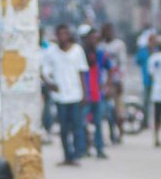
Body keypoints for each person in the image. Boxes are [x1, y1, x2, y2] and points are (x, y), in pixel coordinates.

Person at [41, 23, 89, 166]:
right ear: (57, 36)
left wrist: (84, 93)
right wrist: (50, 84)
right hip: (60, 96)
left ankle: (76, 154)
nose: (63, 36)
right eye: (60, 34)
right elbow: (43, 71)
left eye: (65, 33)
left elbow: (82, 72)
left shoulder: (77, 51)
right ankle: (67, 155)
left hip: (75, 94)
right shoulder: (51, 52)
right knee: (63, 128)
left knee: (76, 126)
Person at [78, 25, 110, 159]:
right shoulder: (79, 54)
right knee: (81, 123)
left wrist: (107, 85)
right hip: (84, 94)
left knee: (98, 123)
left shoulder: (100, 54)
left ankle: (99, 148)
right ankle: (82, 148)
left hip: (97, 94)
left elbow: (110, 68)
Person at [101, 23, 127, 144]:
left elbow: (122, 63)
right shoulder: (101, 46)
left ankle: (120, 132)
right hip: (104, 82)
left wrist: (120, 81)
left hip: (116, 81)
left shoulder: (119, 45)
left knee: (119, 110)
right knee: (108, 110)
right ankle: (111, 133)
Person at [135, 29, 155, 130]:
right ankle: (145, 122)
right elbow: (137, 61)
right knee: (146, 103)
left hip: (157, 82)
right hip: (147, 80)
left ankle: (157, 122)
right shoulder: (143, 51)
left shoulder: (157, 50)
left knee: (157, 103)